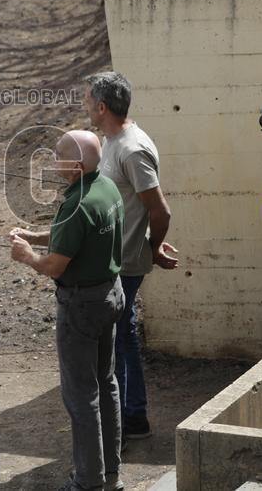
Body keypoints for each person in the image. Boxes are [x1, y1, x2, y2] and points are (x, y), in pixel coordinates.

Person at [10, 130, 125, 491]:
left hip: (82, 305)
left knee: (81, 396)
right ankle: (111, 474)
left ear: (75, 167)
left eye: (58, 156)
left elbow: (55, 266)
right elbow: (75, 234)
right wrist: (35, 236)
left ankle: (89, 481)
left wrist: (27, 255)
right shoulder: (106, 188)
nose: (53, 161)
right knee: (106, 383)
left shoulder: (76, 205)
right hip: (110, 294)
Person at [84, 71, 178, 442]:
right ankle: (129, 416)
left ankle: (131, 418)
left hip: (123, 262)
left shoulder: (132, 149)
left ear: (102, 107)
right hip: (114, 259)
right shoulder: (112, 141)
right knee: (119, 336)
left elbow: (160, 211)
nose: (85, 106)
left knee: (119, 339)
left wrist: (152, 247)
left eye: (88, 100)